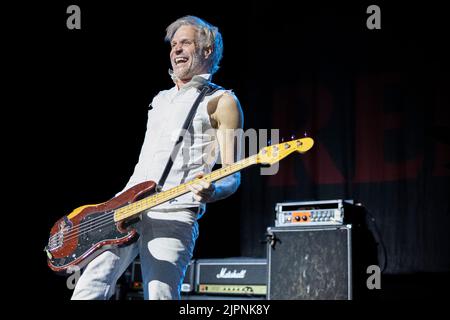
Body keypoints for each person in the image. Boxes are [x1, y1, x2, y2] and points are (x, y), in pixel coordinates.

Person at [71, 15, 244, 300]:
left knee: (160, 294)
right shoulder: (160, 99)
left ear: (207, 50)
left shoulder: (222, 101)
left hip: (173, 213)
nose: (176, 49)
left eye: (185, 43)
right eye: (174, 44)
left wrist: (213, 189)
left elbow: (233, 175)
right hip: (123, 209)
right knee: (90, 286)